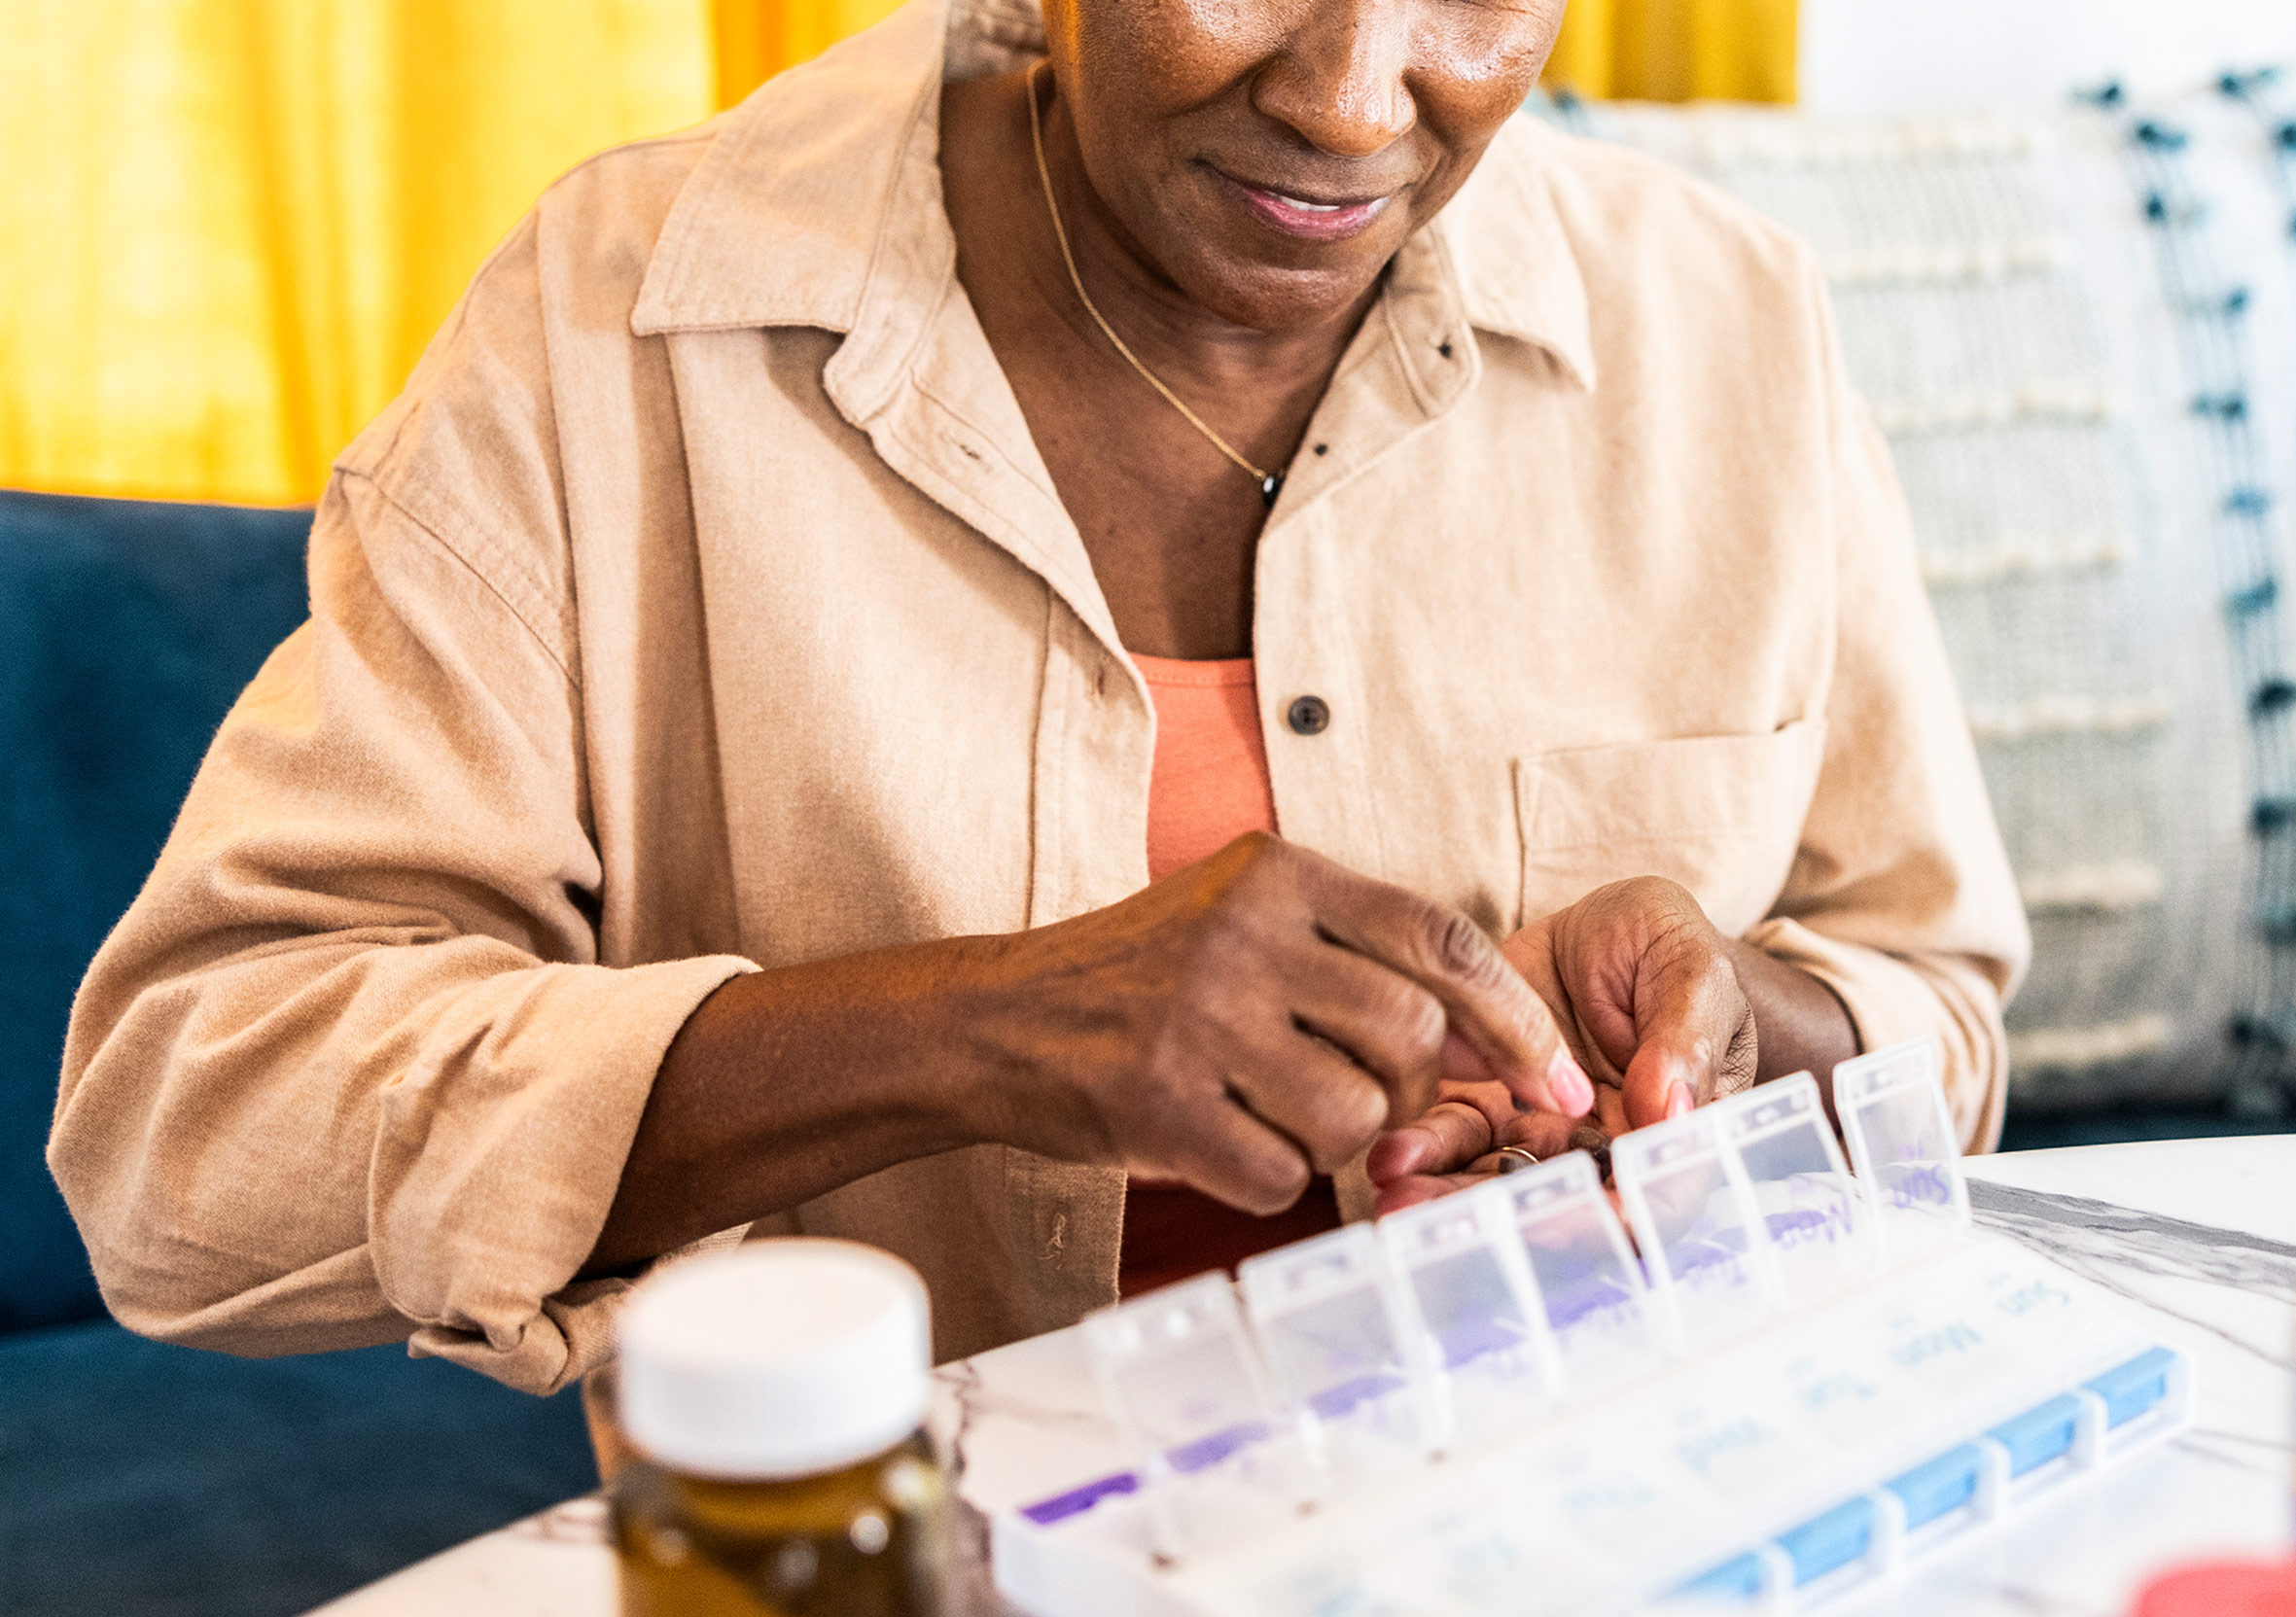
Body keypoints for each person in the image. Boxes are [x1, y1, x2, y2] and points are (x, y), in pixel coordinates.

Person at [49, 0, 2027, 1390]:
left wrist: (1732, 1035)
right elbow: (185, 1131)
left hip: (1592, 1541)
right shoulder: (617, 328)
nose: (1354, 98)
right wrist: (983, 1025)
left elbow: (1934, 1000)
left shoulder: (1730, 325)